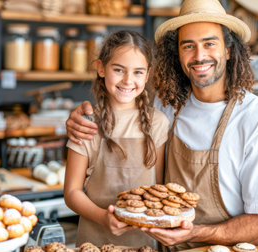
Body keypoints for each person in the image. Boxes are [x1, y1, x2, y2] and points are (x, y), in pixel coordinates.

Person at [65, 0, 258, 248]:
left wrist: (194, 233)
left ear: (228, 50)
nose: (199, 56)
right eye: (188, 46)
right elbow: (120, 103)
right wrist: (82, 116)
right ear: (178, 53)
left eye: (209, 43)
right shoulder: (166, 105)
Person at [64, 30, 169, 248]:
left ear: (148, 74)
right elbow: (72, 192)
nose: (128, 80)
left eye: (138, 72)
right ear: (101, 68)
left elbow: (159, 186)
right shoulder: (86, 122)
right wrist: (103, 217)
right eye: (119, 70)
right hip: (95, 240)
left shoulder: (157, 122)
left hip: (145, 242)